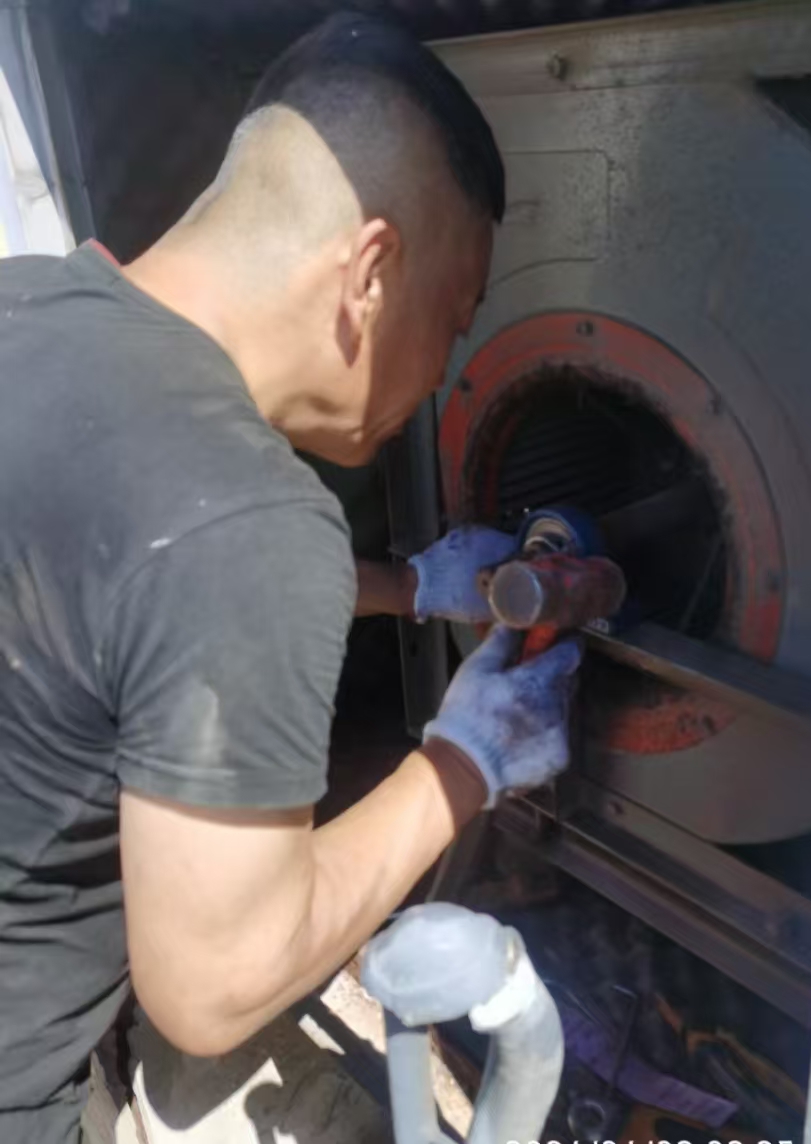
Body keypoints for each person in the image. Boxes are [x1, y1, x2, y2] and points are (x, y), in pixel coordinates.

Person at [0, 12, 582, 1143]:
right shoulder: (251, 519)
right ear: (370, 273)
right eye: (453, 320)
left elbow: (121, 585)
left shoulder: (30, 305)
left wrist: (410, 587)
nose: (443, 368)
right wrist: (468, 760)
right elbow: (214, 990)